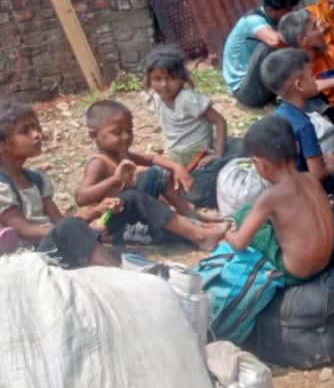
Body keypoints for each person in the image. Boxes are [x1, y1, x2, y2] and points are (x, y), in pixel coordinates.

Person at [76, 100, 227, 249]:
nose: (126, 136)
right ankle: (198, 234)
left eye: (129, 130)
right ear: (94, 135)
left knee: (157, 172)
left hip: (135, 211)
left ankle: (188, 213)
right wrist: (116, 180)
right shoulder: (99, 163)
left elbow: (152, 158)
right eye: (117, 132)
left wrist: (176, 166)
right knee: (157, 220)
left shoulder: (123, 155)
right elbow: (81, 197)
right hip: (116, 223)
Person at [0, 99, 119, 268]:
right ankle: (117, 274)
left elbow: (58, 220)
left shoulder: (36, 179)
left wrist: (93, 214)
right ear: (2, 144)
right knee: (73, 229)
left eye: (36, 127)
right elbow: (23, 230)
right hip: (31, 255)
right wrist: (74, 230)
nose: (37, 134)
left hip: (54, 241)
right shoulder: (2, 187)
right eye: (25, 131)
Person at [223, 116, 334, 283]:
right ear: (297, 147)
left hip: (298, 273)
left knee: (242, 214)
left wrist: (226, 233)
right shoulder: (311, 179)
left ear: (259, 163)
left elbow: (239, 243)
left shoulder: (270, 197)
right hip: (327, 262)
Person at [145, 44, 243, 208]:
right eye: (157, 79)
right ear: (149, 80)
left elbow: (219, 121)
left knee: (154, 175)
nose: (163, 85)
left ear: (182, 78)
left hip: (195, 151)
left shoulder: (187, 99)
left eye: (170, 78)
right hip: (176, 151)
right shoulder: (156, 98)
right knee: (144, 169)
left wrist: (217, 154)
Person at [260, 48, 334, 190]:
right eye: (312, 75)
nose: (315, 79)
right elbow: (316, 174)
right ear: (299, 85)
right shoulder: (304, 125)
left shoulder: (279, 115)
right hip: (310, 190)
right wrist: (331, 168)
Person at [277, 10, 334, 134]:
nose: (322, 30)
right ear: (302, 40)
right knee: (310, 98)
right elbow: (308, 88)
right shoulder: (292, 67)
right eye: (315, 27)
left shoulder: (327, 53)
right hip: (320, 125)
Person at [222, 0, 301, 107]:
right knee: (273, 44)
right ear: (270, 10)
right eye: (287, 9)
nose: (290, 12)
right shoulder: (253, 20)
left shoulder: (277, 19)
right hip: (247, 92)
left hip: (262, 84)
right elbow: (275, 42)